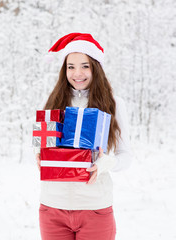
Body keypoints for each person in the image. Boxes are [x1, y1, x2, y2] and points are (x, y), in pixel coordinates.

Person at [36, 33, 133, 240]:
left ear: (96, 67)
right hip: (52, 208)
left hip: (94, 208)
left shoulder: (114, 104)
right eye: (71, 66)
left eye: (85, 66)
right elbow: (41, 146)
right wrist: (39, 157)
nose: (77, 73)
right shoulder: (53, 101)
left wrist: (106, 163)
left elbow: (126, 156)